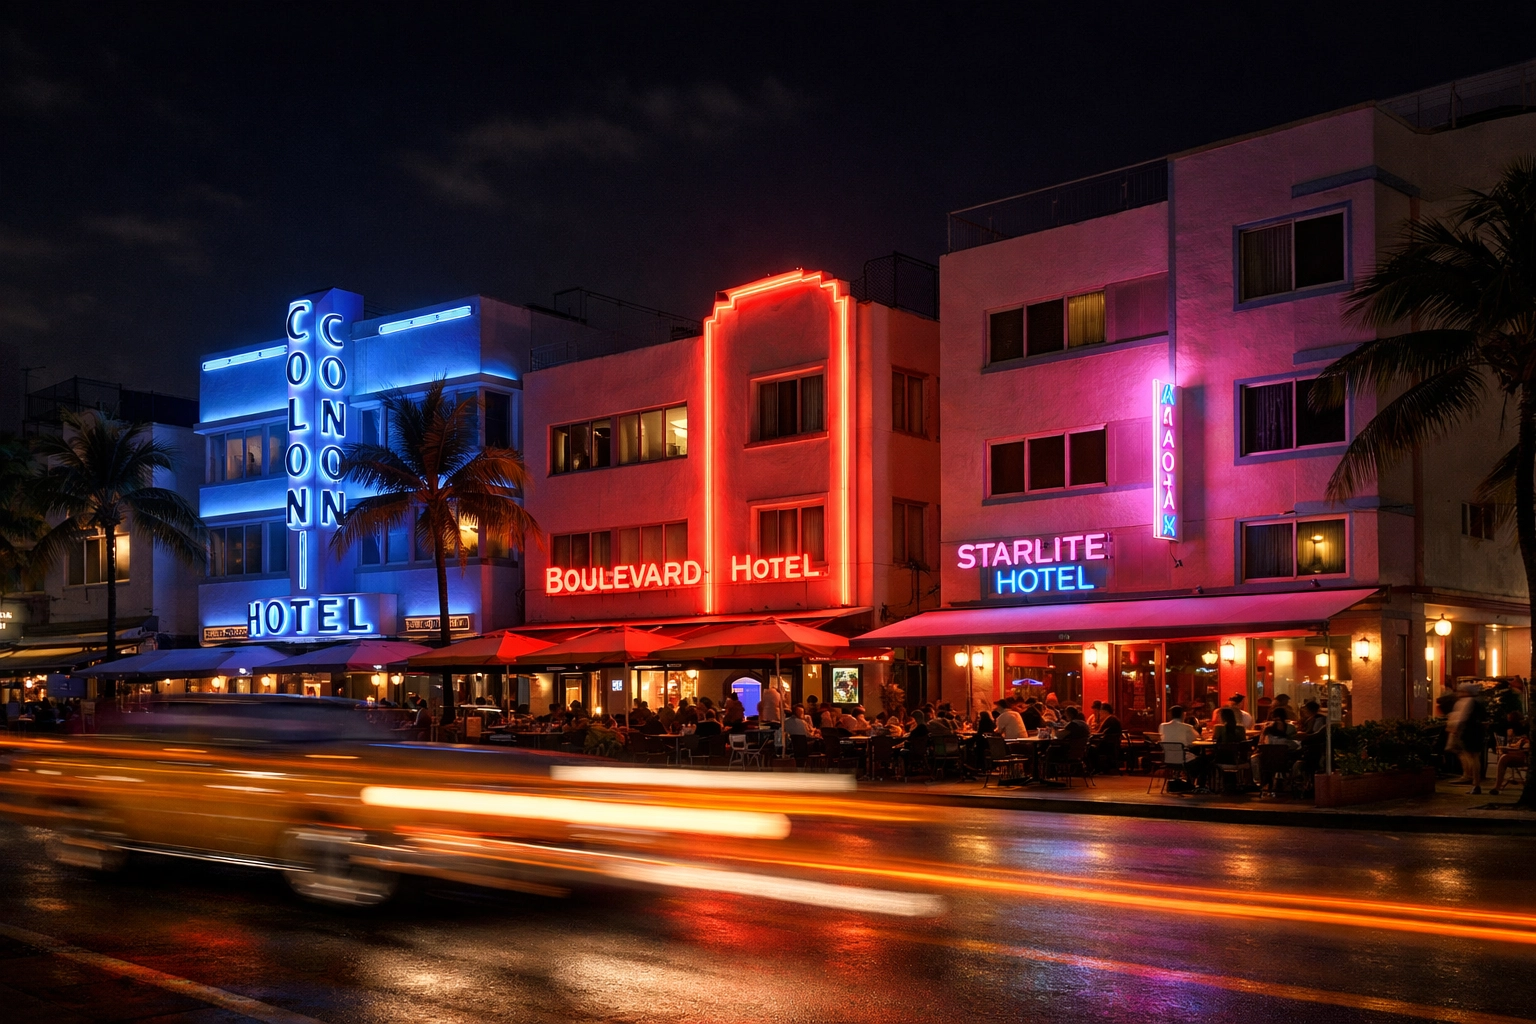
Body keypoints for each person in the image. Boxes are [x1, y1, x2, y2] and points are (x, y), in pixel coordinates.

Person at [1447, 683, 1488, 793]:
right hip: (1475, 732)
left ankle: (1475, 783)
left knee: (1472, 757)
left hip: (1469, 732)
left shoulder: (1467, 702)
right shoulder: (1477, 702)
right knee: (1473, 757)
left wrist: (1455, 729)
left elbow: (1462, 718)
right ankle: (1474, 781)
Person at [1158, 705, 1207, 789]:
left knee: (1197, 760)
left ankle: (1189, 784)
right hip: (1183, 760)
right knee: (1205, 761)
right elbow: (1196, 739)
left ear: (1170, 715)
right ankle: (1200, 786)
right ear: (1183, 715)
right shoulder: (1187, 727)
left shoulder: (1162, 726)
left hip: (1167, 759)